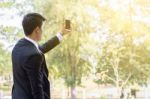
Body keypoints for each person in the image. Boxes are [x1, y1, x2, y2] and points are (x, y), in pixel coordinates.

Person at [11, 13, 70, 99]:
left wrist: (61, 34)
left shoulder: (19, 46)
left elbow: (42, 48)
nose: (42, 31)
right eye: (42, 28)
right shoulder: (34, 55)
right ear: (37, 30)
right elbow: (37, 89)